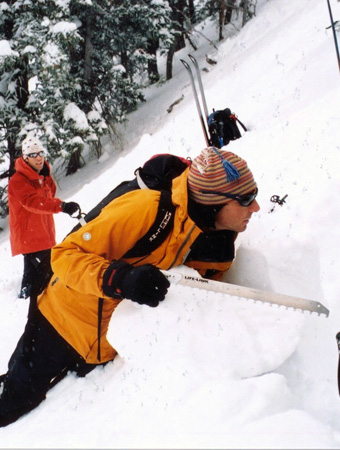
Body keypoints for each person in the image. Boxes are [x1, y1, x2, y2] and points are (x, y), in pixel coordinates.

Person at [0, 147, 260, 427]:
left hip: (106, 345)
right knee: (14, 399)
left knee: (60, 404)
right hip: (59, 320)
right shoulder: (147, 209)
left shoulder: (219, 245)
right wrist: (118, 278)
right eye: (246, 199)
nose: (255, 207)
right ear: (213, 202)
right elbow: (63, 255)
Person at [7, 136, 81, 302]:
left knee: (33, 278)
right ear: (25, 158)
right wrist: (61, 206)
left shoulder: (41, 176)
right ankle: (46, 306)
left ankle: (24, 299)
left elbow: (49, 195)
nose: (39, 157)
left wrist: (46, 177)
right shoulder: (18, 180)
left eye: (40, 153)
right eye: (33, 155)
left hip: (43, 235)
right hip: (30, 238)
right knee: (50, 273)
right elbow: (33, 202)